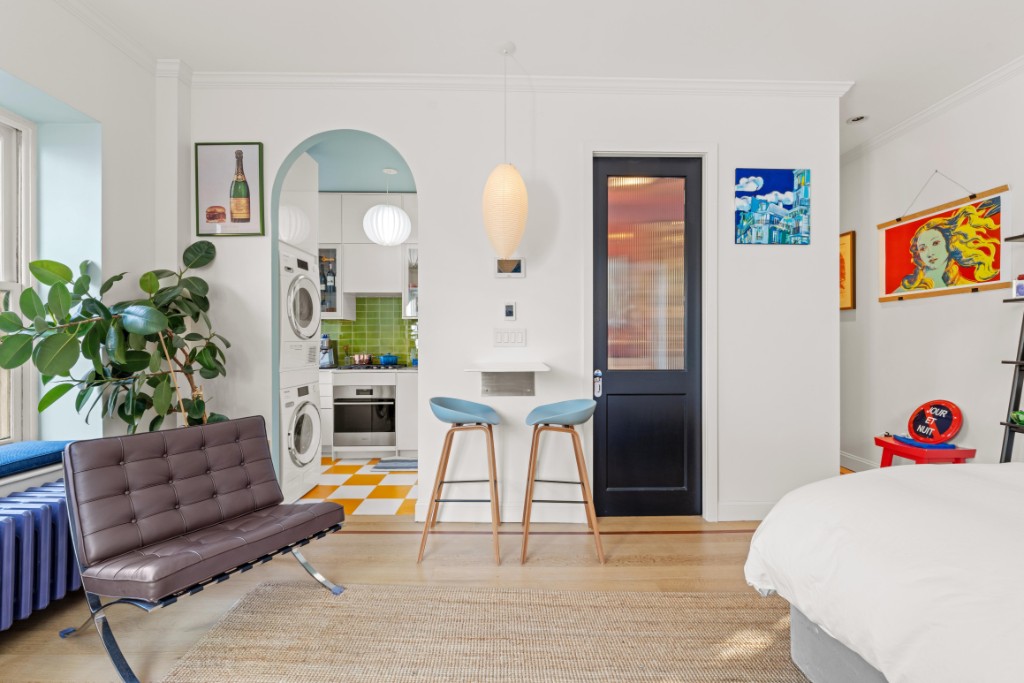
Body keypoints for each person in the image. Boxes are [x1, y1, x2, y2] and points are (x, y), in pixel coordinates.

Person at [896, 202, 1000, 291]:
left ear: (948, 243)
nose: (929, 253)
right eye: (922, 248)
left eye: (935, 243)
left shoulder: (964, 285)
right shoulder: (908, 288)